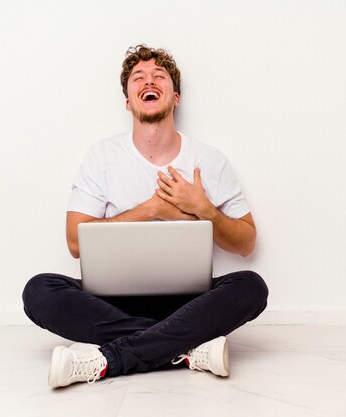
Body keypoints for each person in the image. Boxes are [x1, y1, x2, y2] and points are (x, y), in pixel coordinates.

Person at [22, 45, 268, 388]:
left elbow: (246, 241)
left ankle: (108, 359)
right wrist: (152, 209)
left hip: (187, 303)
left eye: (159, 76)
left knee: (251, 287)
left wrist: (203, 210)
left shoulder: (209, 160)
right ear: (128, 101)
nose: (148, 81)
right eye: (139, 77)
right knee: (39, 291)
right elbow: (75, 242)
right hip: (111, 303)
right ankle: (186, 350)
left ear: (175, 96)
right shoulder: (102, 156)